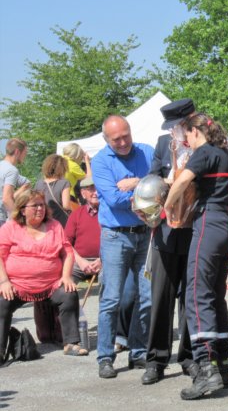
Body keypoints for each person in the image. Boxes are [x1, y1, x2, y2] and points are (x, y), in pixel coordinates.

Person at [163, 113, 228, 400]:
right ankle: (222, 364)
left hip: (209, 223)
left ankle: (206, 369)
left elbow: (182, 182)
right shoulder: (225, 154)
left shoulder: (204, 152)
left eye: (187, 135)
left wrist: (168, 207)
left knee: (196, 294)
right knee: (215, 295)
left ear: (196, 132)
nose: (186, 140)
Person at [92, 115, 153, 379]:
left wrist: (136, 182)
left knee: (147, 296)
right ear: (106, 140)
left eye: (126, 135)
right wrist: (144, 186)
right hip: (115, 236)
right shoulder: (101, 161)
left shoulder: (147, 152)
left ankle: (138, 351)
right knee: (111, 299)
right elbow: (115, 199)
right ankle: (105, 356)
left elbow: (161, 183)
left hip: (145, 234)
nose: (123, 142)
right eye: (116, 139)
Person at [141, 98, 196, 385]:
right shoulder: (164, 143)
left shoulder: (203, 142)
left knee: (190, 297)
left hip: (194, 229)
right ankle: (156, 359)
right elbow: (151, 176)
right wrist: (163, 181)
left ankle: (187, 357)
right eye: (172, 126)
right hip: (165, 230)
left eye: (179, 125)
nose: (176, 130)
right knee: (160, 297)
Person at [0, 189, 87, 360]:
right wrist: (4, 281)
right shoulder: (10, 227)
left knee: (68, 294)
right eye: (35, 206)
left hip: (50, 285)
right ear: (23, 210)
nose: (40, 209)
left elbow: (67, 252)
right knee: (1, 302)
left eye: (42, 205)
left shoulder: (54, 225)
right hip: (18, 285)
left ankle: (71, 343)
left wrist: (66, 276)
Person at [64, 177, 102, 283]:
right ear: (83, 193)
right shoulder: (76, 214)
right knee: (65, 282)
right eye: (91, 189)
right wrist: (80, 261)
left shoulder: (110, 213)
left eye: (98, 189)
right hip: (79, 261)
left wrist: (102, 260)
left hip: (105, 260)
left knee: (110, 284)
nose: (96, 193)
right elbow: (66, 242)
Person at [35, 154, 72, 227]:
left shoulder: (38, 183)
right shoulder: (64, 183)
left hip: (43, 220)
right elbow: (66, 205)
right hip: (59, 221)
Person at [0, 138, 30, 227]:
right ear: (17, 152)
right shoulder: (12, 170)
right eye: (25, 153)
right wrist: (18, 218)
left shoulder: (2, 166)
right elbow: (6, 199)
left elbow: (26, 183)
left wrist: (13, 196)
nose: (25, 156)